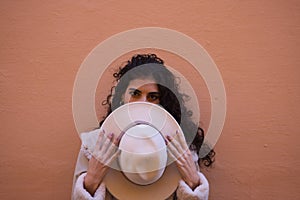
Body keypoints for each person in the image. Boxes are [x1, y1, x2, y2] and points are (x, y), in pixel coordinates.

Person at [72, 54, 215, 200]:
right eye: (135, 93)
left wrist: (193, 182)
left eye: (152, 97)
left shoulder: (179, 145)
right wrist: (91, 181)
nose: (143, 103)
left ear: (163, 101)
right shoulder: (94, 145)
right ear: (122, 95)